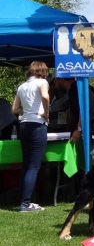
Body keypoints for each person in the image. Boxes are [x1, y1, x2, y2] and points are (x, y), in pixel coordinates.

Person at [11, 61, 50, 212]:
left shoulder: (22, 86)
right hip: (37, 125)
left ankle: (24, 200)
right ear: (42, 71)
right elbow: (45, 98)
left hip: (24, 125)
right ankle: (25, 204)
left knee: (26, 165)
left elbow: (14, 109)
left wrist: (27, 110)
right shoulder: (42, 82)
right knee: (34, 167)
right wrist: (45, 113)